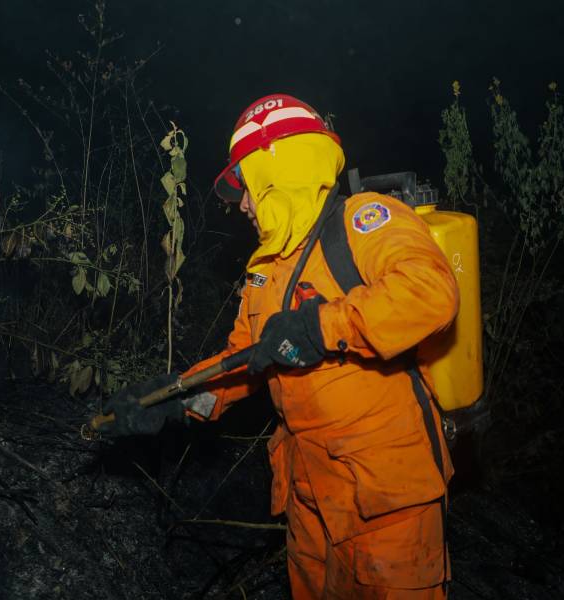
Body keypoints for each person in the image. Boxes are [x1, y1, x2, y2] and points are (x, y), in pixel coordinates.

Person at [100, 94, 459, 599]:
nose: (241, 204)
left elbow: (430, 293)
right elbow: (242, 360)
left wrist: (322, 327)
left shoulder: (364, 220)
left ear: (278, 168)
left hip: (386, 500)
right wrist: (172, 403)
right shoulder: (265, 272)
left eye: (245, 186)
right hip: (309, 497)